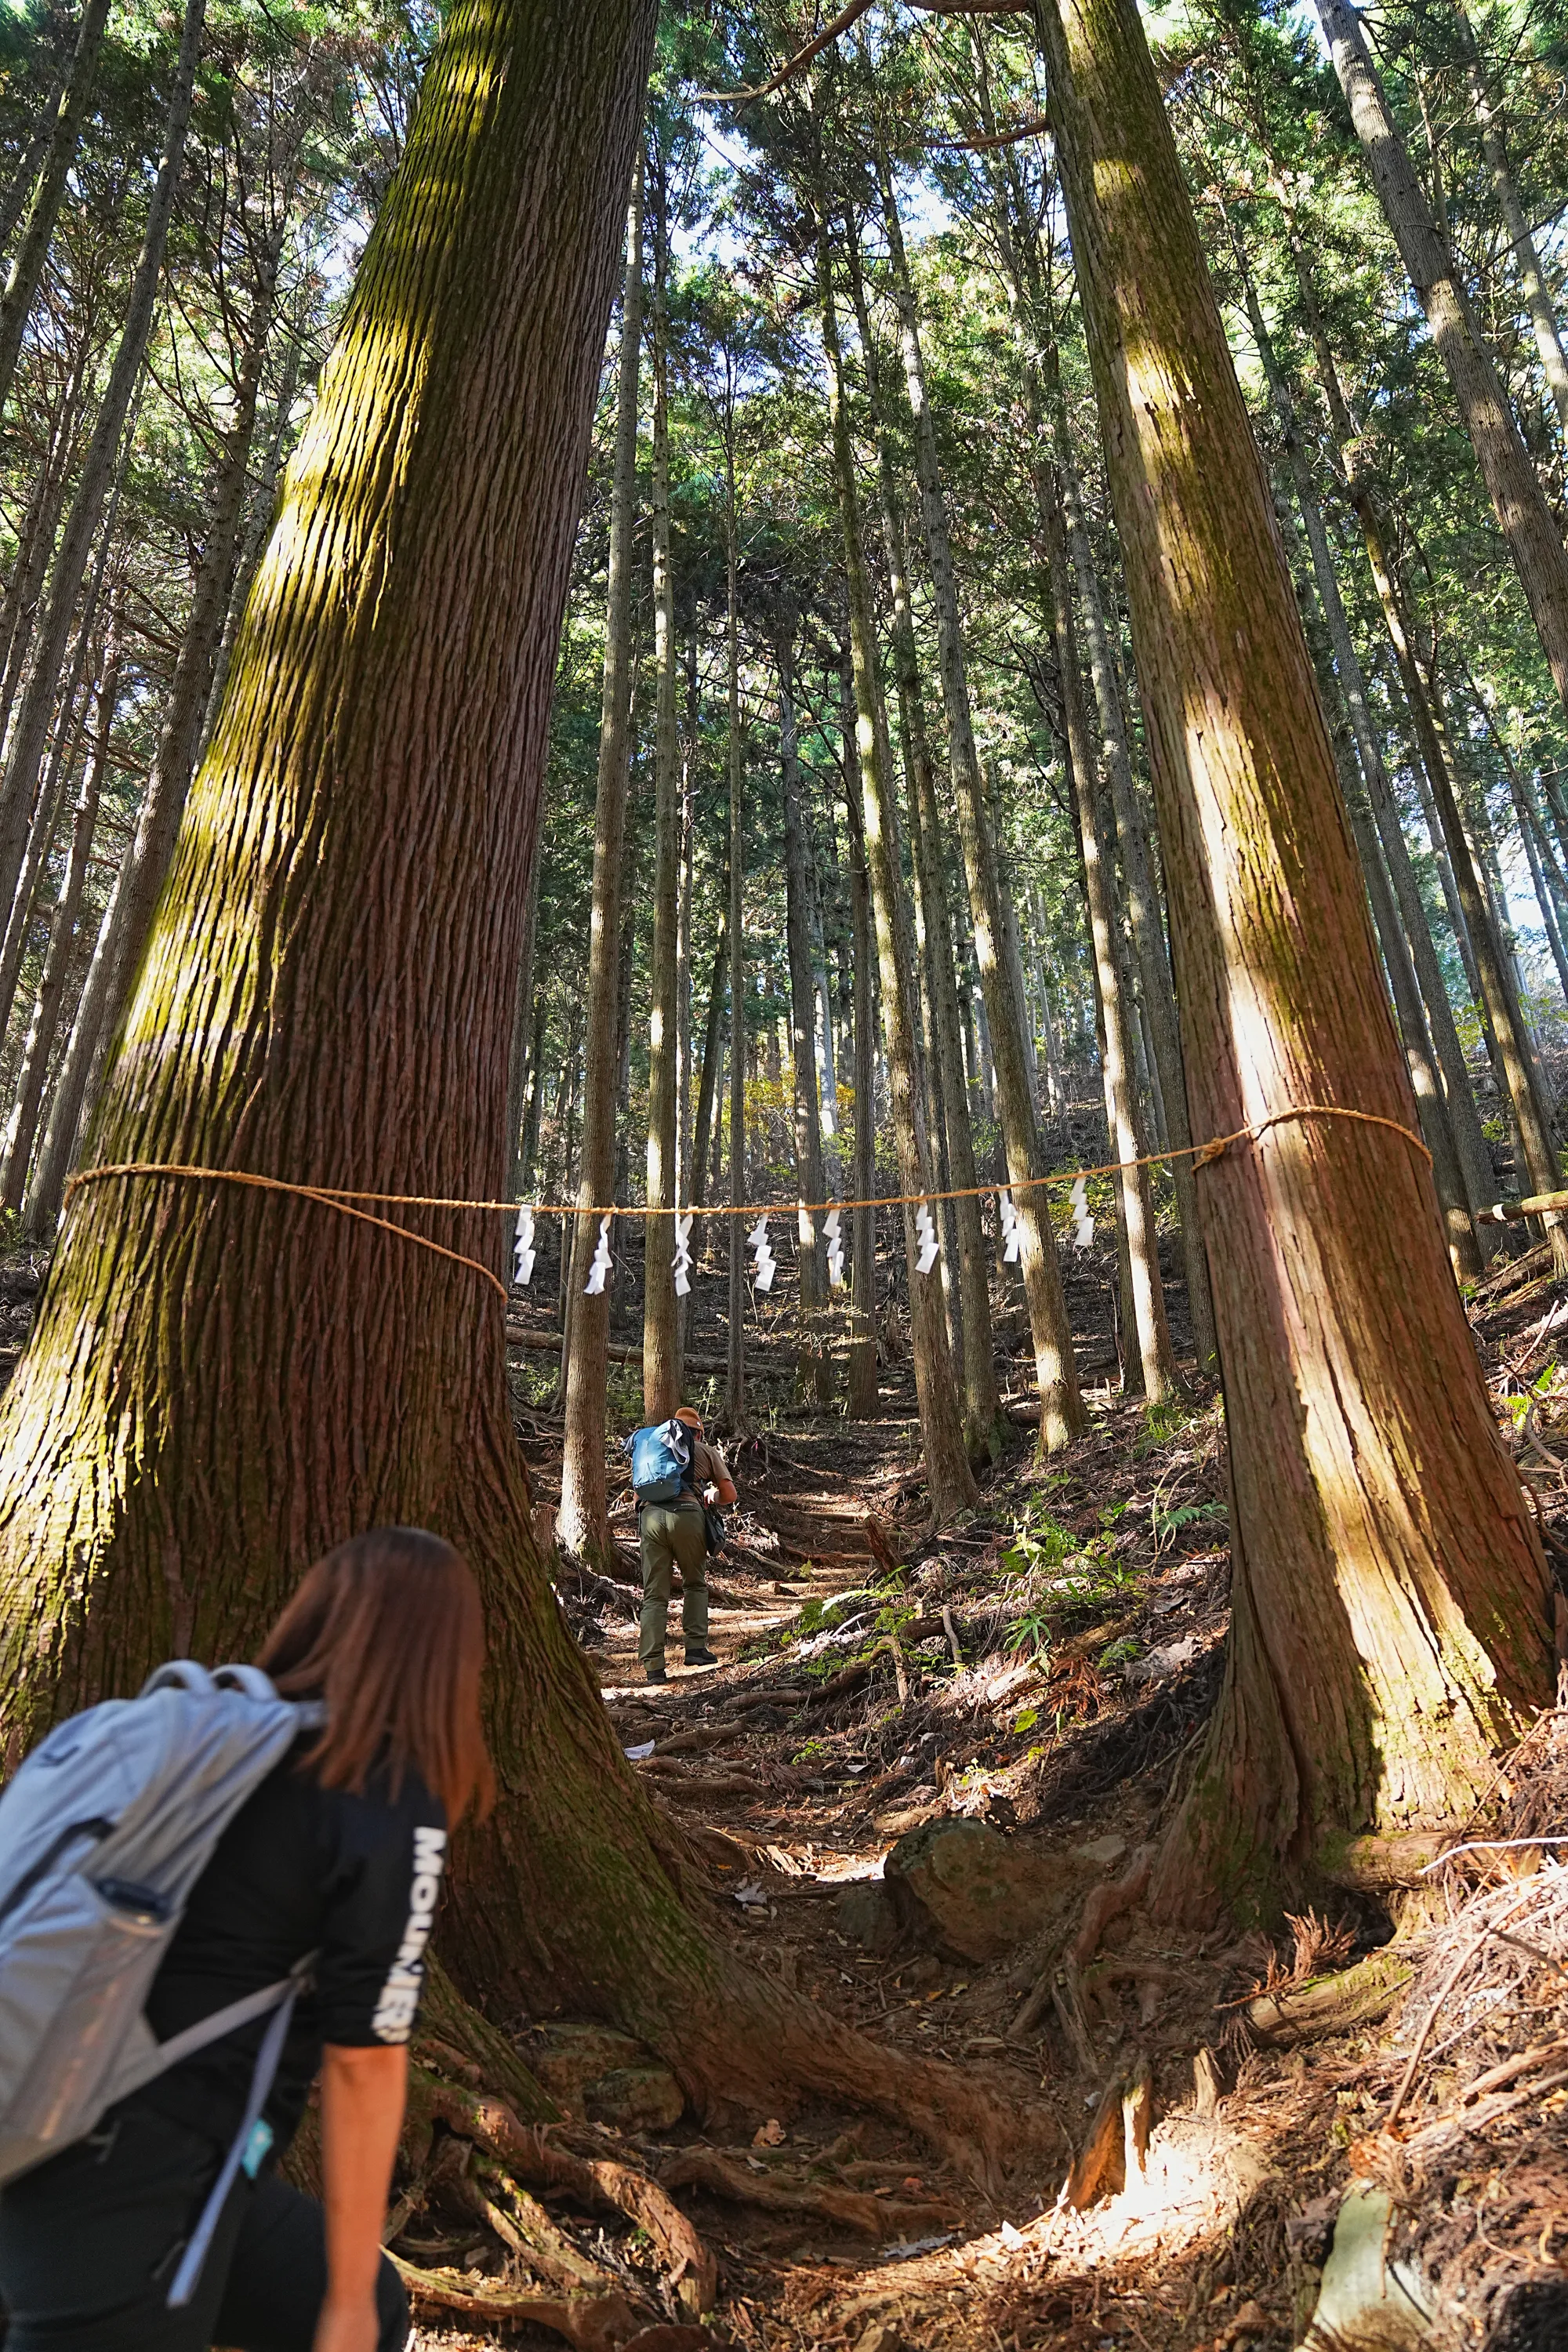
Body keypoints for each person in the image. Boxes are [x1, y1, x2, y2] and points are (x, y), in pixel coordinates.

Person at [0, 1525, 494, 2352]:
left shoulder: (213, 1740)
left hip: (54, 2107)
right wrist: (342, 2305)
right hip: (131, 2171)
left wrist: (352, 2299)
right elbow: (366, 2062)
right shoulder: (380, 1797)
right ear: (446, 1662)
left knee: (370, 2303)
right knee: (351, 2305)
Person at [636, 1404, 737, 1686]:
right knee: (694, 1584)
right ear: (698, 1434)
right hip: (687, 1516)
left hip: (651, 1517)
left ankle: (654, 1667)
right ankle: (695, 1649)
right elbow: (729, 1494)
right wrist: (712, 1496)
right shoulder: (705, 1451)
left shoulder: (652, 1450)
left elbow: (637, 1495)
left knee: (654, 1596)